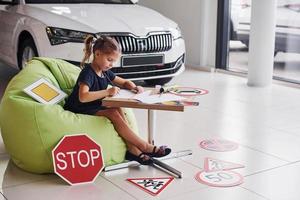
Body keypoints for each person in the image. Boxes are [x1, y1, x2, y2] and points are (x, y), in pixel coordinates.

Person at [64, 35, 171, 165]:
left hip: (94, 105)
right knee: (112, 113)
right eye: (109, 60)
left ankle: (133, 150)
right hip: (80, 107)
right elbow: (83, 96)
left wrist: (134, 86)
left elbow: (124, 82)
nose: (111, 64)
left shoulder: (105, 72)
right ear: (97, 54)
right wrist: (107, 92)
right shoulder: (88, 73)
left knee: (118, 108)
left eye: (114, 61)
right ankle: (144, 146)